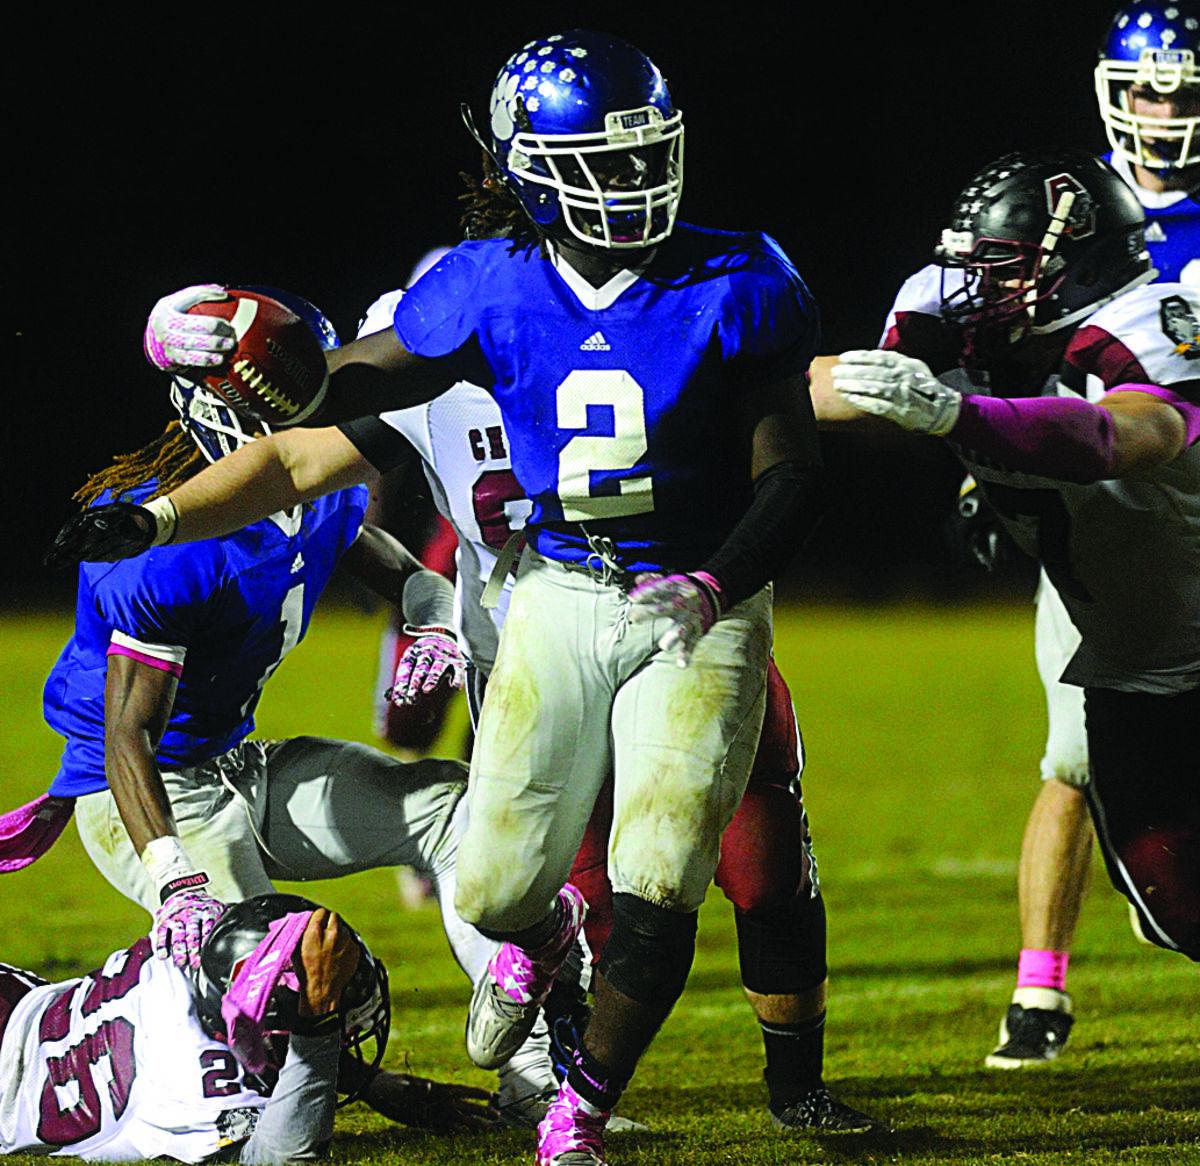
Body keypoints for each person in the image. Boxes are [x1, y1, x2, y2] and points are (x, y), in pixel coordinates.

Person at [47, 30, 831, 1165]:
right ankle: (276, 1086)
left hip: (674, 607)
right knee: (411, 916)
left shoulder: (729, 279)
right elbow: (301, 436)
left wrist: (425, 610)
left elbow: (370, 538)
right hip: (465, 656)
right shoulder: (456, 326)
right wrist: (174, 508)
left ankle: (569, 1090)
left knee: (651, 862)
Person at [358, 281, 882, 1133]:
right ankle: (567, 1079)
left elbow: (777, 381)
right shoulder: (424, 393)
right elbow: (302, 460)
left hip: (684, 632)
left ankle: (792, 1089)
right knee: (576, 896)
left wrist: (879, 385)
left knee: (763, 863)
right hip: (539, 668)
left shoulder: (616, 337)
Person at [17, 288, 533, 1130]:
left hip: (235, 766)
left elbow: (407, 574)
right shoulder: (169, 550)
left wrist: (434, 624)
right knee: (278, 973)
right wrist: (173, 879)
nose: (301, 408)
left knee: (460, 809)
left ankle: (535, 1077)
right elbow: (126, 735)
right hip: (145, 799)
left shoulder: (313, 484)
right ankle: (330, 1091)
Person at [827, 147, 1200, 1027]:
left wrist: (962, 417)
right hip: (1133, 660)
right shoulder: (948, 307)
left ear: (1076, 264)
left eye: (1001, 266)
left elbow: (1129, 436)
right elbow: (826, 388)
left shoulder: (1154, 318)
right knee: (1174, 909)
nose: (971, 285)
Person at [963, 0, 1198, 1068]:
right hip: (1109, 515)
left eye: (1185, 91)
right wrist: (992, 470)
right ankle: (1040, 987)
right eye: (1150, 88)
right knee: (1072, 749)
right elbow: (1007, 346)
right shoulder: (1072, 203)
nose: (1168, 110)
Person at [0, 892, 392, 1161]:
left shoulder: (200, 949)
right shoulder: (199, 1086)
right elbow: (282, 1157)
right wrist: (318, 1021)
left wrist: (374, 1084)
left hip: (23, 1002)